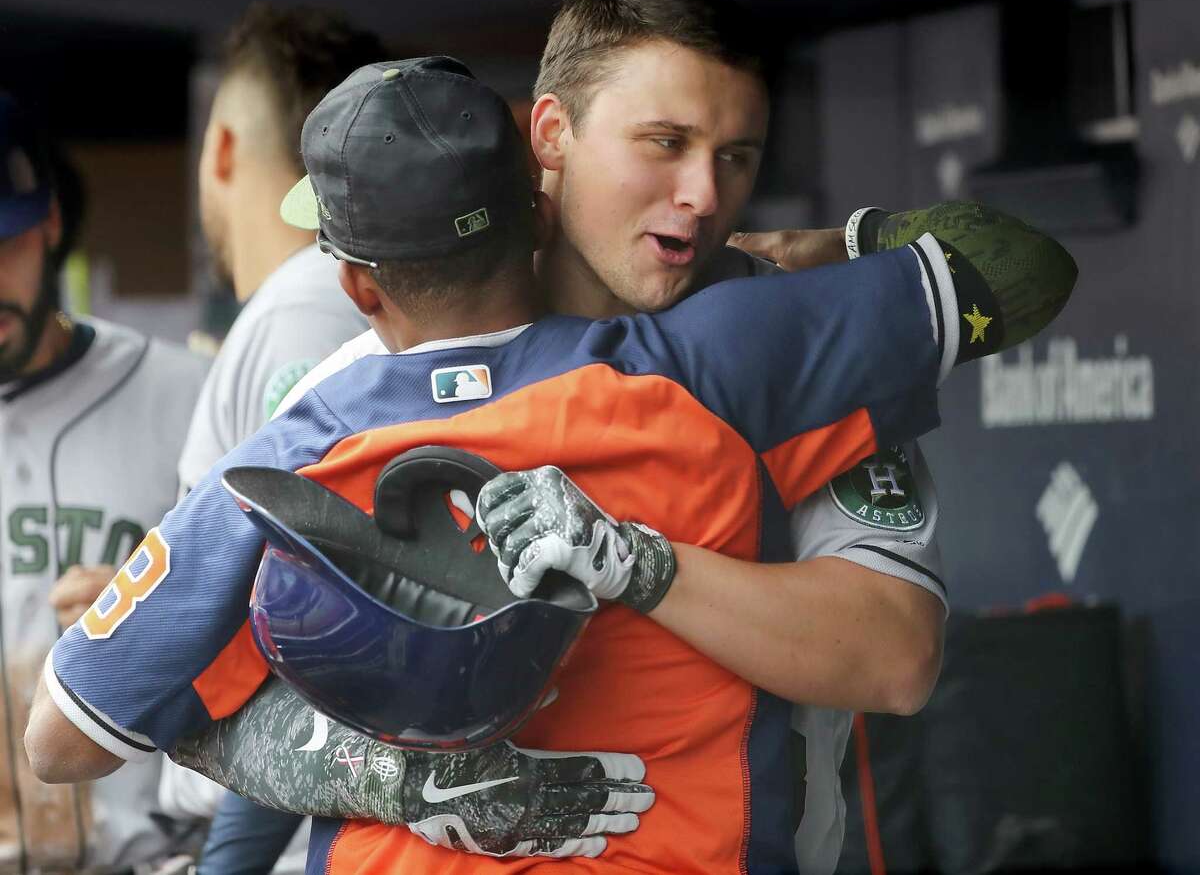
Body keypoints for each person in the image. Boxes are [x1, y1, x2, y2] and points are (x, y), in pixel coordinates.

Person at [26, 56, 1073, 874]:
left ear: (356, 285)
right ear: (541, 205)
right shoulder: (714, 356)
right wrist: (809, 251)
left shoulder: (295, 450)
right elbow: (1024, 271)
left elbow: (62, 739)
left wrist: (391, 780)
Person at [262, 0, 956, 873]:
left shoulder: (808, 359)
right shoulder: (373, 370)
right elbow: (203, 701)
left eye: (736, 155)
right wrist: (395, 781)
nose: (704, 194)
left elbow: (895, 655)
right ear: (553, 132)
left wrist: (635, 561)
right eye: (664, 142)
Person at [162, 2, 385, 873]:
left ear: (222, 146)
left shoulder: (303, 305)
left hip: (280, 827)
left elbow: (310, 613)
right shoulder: (331, 297)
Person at [0, 92, 208, 870]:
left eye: (6, 243)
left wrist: (166, 616)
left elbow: (292, 637)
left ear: (50, 223)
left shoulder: (188, 395)